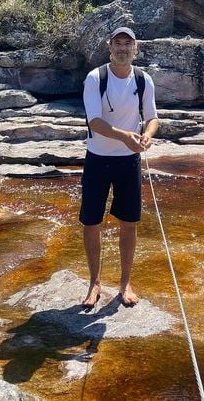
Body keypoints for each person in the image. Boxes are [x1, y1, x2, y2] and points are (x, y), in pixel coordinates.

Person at [79, 26, 159, 308]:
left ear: (135, 49)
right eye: (118, 43)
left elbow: (152, 118)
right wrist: (125, 136)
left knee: (129, 223)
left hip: (129, 161)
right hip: (98, 158)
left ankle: (125, 284)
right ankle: (94, 283)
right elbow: (95, 122)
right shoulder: (95, 78)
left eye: (128, 44)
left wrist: (146, 135)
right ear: (109, 47)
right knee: (91, 222)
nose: (123, 48)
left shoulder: (143, 79)